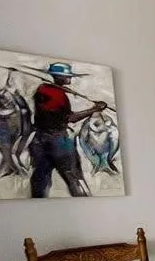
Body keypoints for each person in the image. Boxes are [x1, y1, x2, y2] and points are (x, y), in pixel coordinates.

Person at [29, 62, 106, 198]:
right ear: (58, 77)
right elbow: (70, 118)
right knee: (75, 178)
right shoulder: (57, 95)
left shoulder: (42, 89)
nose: (70, 78)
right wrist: (94, 109)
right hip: (58, 142)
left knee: (40, 180)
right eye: (66, 75)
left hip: (39, 141)